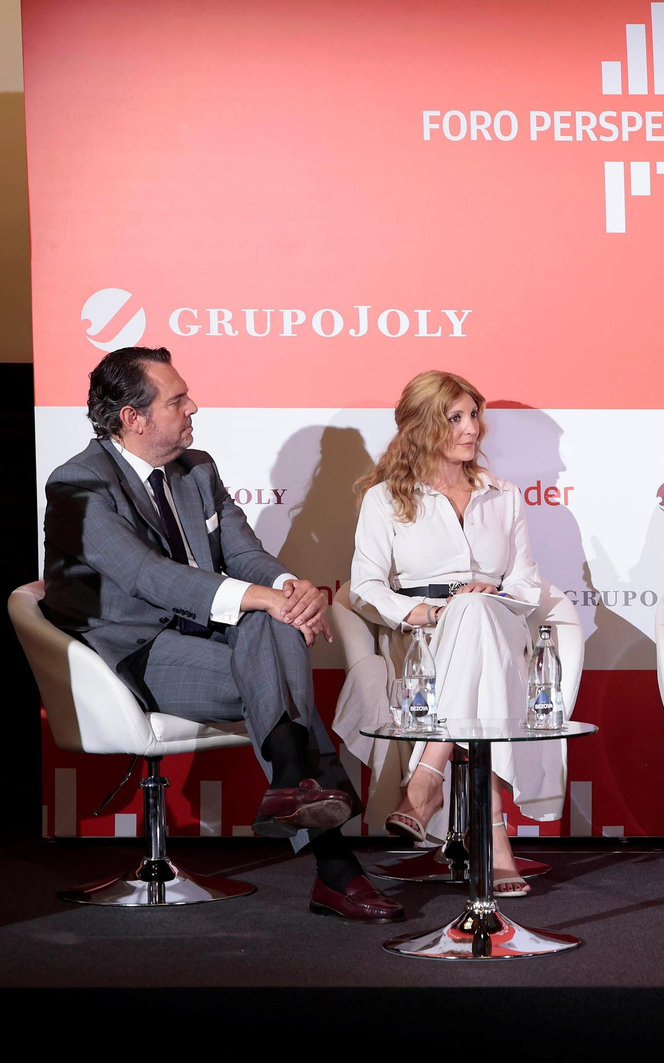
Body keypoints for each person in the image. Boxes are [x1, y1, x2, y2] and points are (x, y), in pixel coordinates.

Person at [42, 346, 401, 922]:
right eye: (178, 399)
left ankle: (291, 784)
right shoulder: (76, 484)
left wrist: (290, 587)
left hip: (215, 642)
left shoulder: (196, 468)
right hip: (134, 655)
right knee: (270, 642)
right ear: (133, 418)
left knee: (272, 624)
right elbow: (144, 574)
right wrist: (268, 600)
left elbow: (243, 553)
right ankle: (334, 866)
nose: (194, 407)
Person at [338, 370, 558, 898]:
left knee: (477, 611)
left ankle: (426, 777)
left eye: (474, 415)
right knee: (467, 615)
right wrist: (423, 613)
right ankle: (495, 839)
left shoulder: (502, 495)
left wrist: (487, 599)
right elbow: (363, 586)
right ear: (422, 425)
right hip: (424, 637)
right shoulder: (386, 498)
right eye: (455, 417)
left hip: (499, 627)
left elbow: (526, 582)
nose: (472, 428)